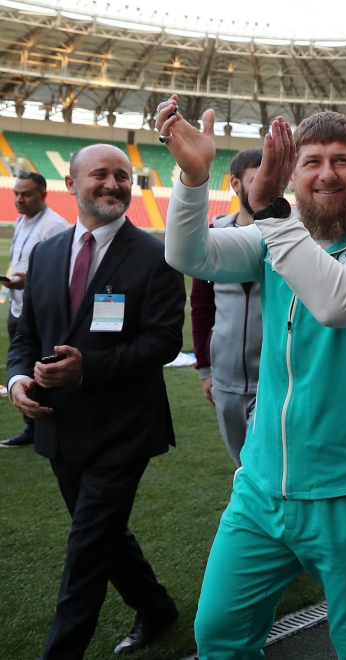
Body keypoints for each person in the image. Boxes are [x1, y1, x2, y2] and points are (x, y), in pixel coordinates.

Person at [157, 95, 346, 659]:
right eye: (312, 160)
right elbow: (188, 254)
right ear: (293, 174)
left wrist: (273, 215)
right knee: (218, 637)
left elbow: (336, 300)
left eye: (343, 160)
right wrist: (193, 176)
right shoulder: (273, 238)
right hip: (260, 488)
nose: (327, 173)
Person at [7, 144, 185, 657]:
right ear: (72, 184)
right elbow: (25, 337)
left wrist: (90, 366)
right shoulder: (45, 253)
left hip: (123, 430)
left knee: (85, 550)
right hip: (59, 427)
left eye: (123, 176)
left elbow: (163, 342)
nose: (113, 184)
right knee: (105, 537)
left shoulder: (156, 255)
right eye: (101, 174)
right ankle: (156, 607)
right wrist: (19, 382)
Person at [190, 149, 263, 466]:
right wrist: (206, 369)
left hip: (276, 380)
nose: (267, 186)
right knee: (242, 465)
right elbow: (201, 307)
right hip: (226, 379)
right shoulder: (211, 238)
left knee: (265, 465)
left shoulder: (295, 238)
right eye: (257, 179)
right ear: (236, 183)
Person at [0, 172, 70, 448]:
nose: (19, 198)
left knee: (41, 366)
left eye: (26, 194)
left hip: (39, 311)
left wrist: (24, 282)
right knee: (21, 363)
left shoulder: (55, 226)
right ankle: (31, 424)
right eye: (16, 193)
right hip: (18, 305)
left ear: (43, 195)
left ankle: (41, 423)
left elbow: (57, 272)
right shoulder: (22, 220)